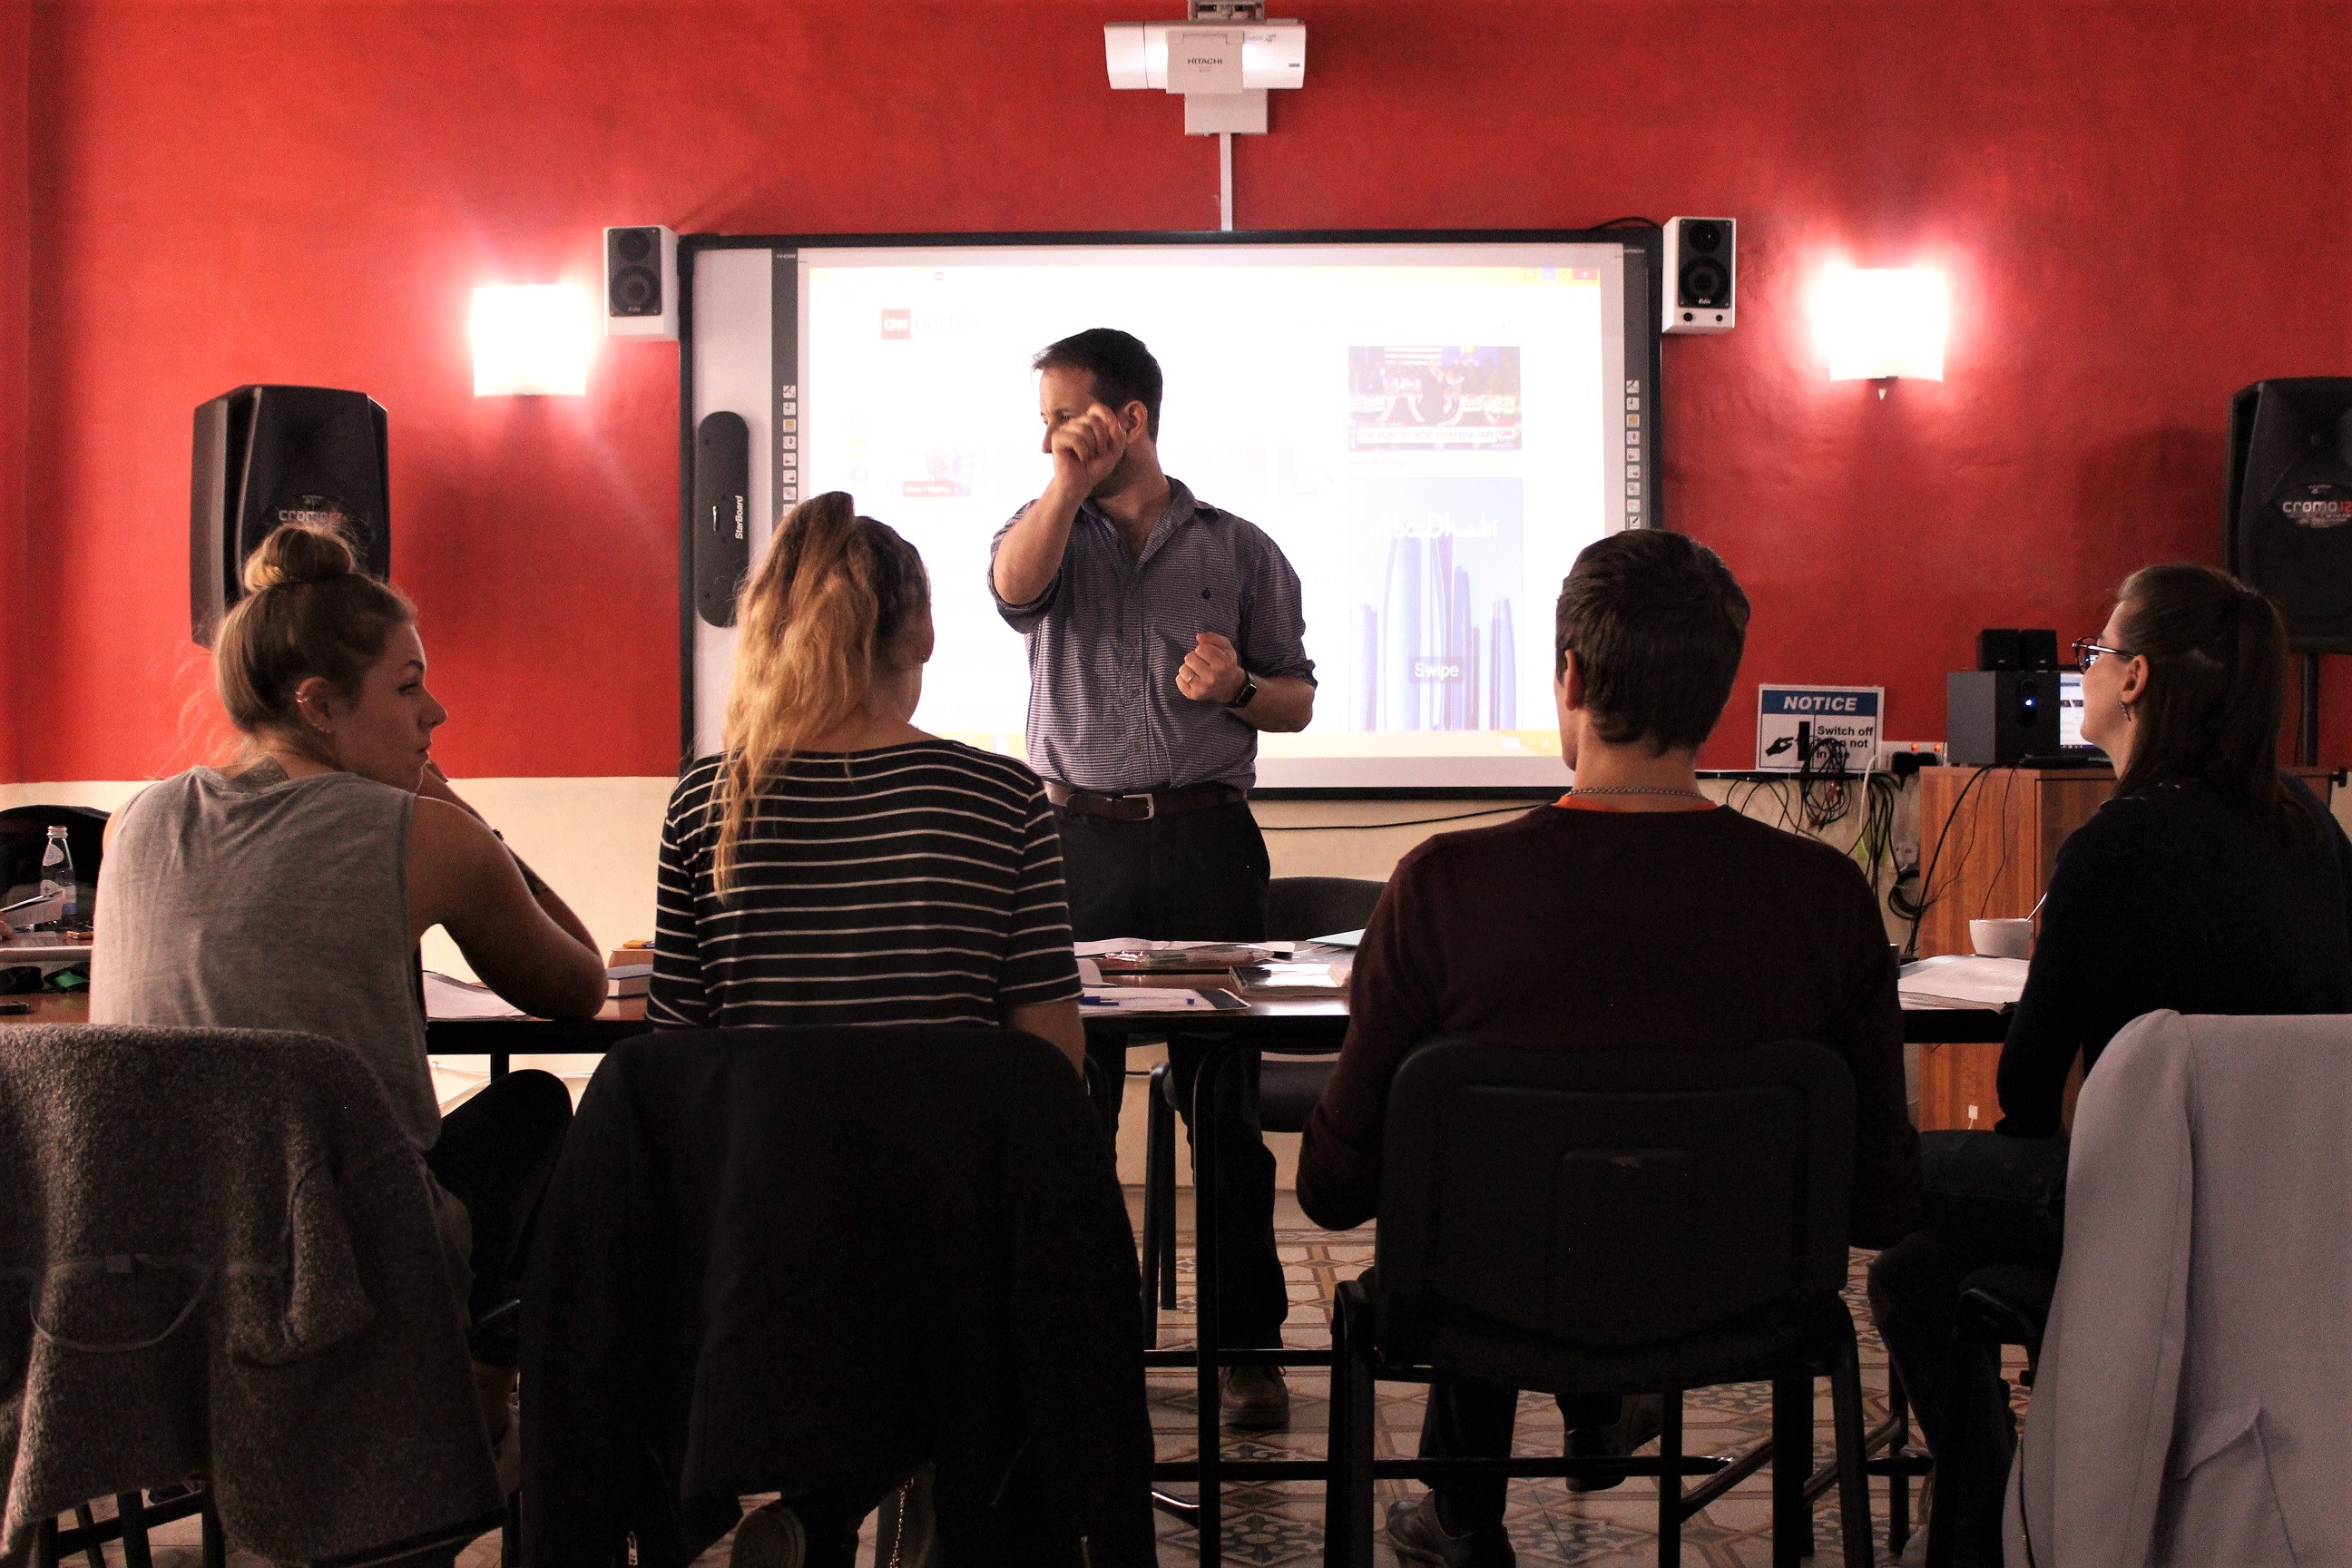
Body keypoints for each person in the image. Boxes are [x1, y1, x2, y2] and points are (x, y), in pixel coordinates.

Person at [1297, 529, 1923, 1568]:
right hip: (1744, 1310)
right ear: (1718, 692)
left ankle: (1462, 1513)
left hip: (1478, 1312)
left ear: (1573, 676)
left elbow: (1331, 1191)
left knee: (1494, 1203)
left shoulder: (1443, 889)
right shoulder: (1824, 899)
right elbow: (1885, 1206)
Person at [92, 521, 607, 1479]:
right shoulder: (420, 833)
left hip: (141, 1277)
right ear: (321, 705)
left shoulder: (132, 822)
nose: (435, 711)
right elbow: (581, 981)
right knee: (539, 1105)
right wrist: (459, 810)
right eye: (407, 687)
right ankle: (476, 1410)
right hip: (343, 1262)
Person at [1867, 562, 2352, 1568]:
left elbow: (2025, 1088)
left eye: (2096, 653)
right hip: (2303, 1212)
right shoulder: (2314, 828)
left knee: (1893, 1171)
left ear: (2134, 679)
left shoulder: (2116, 845)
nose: (2082, 671)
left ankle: (1991, 1512)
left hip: (2147, 1205)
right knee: (1918, 1271)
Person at [651, 492, 1087, 1568]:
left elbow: (671, 1077)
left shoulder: (706, 805)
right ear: (921, 631)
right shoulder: (1003, 801)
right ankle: (940, 1492)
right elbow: (1050, 1075)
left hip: (759, 1244)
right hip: (952, 1240)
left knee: (825, 1239)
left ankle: (821, 1508)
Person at [989, 327, 1317, 1426]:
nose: (1050, 436)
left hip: (1205, 845)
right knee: (1066, 1108)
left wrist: (1238, 690)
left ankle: (1246, 1354)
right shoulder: (1045, 531)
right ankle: (1080, 1345)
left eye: (1067, 417)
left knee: (1223, 1112)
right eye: (1045, 420)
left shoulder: (1240, 549)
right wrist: (1062, 483)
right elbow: (1013, 589)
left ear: (1129, 419)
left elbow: (1296, 698)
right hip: (1073, 846)